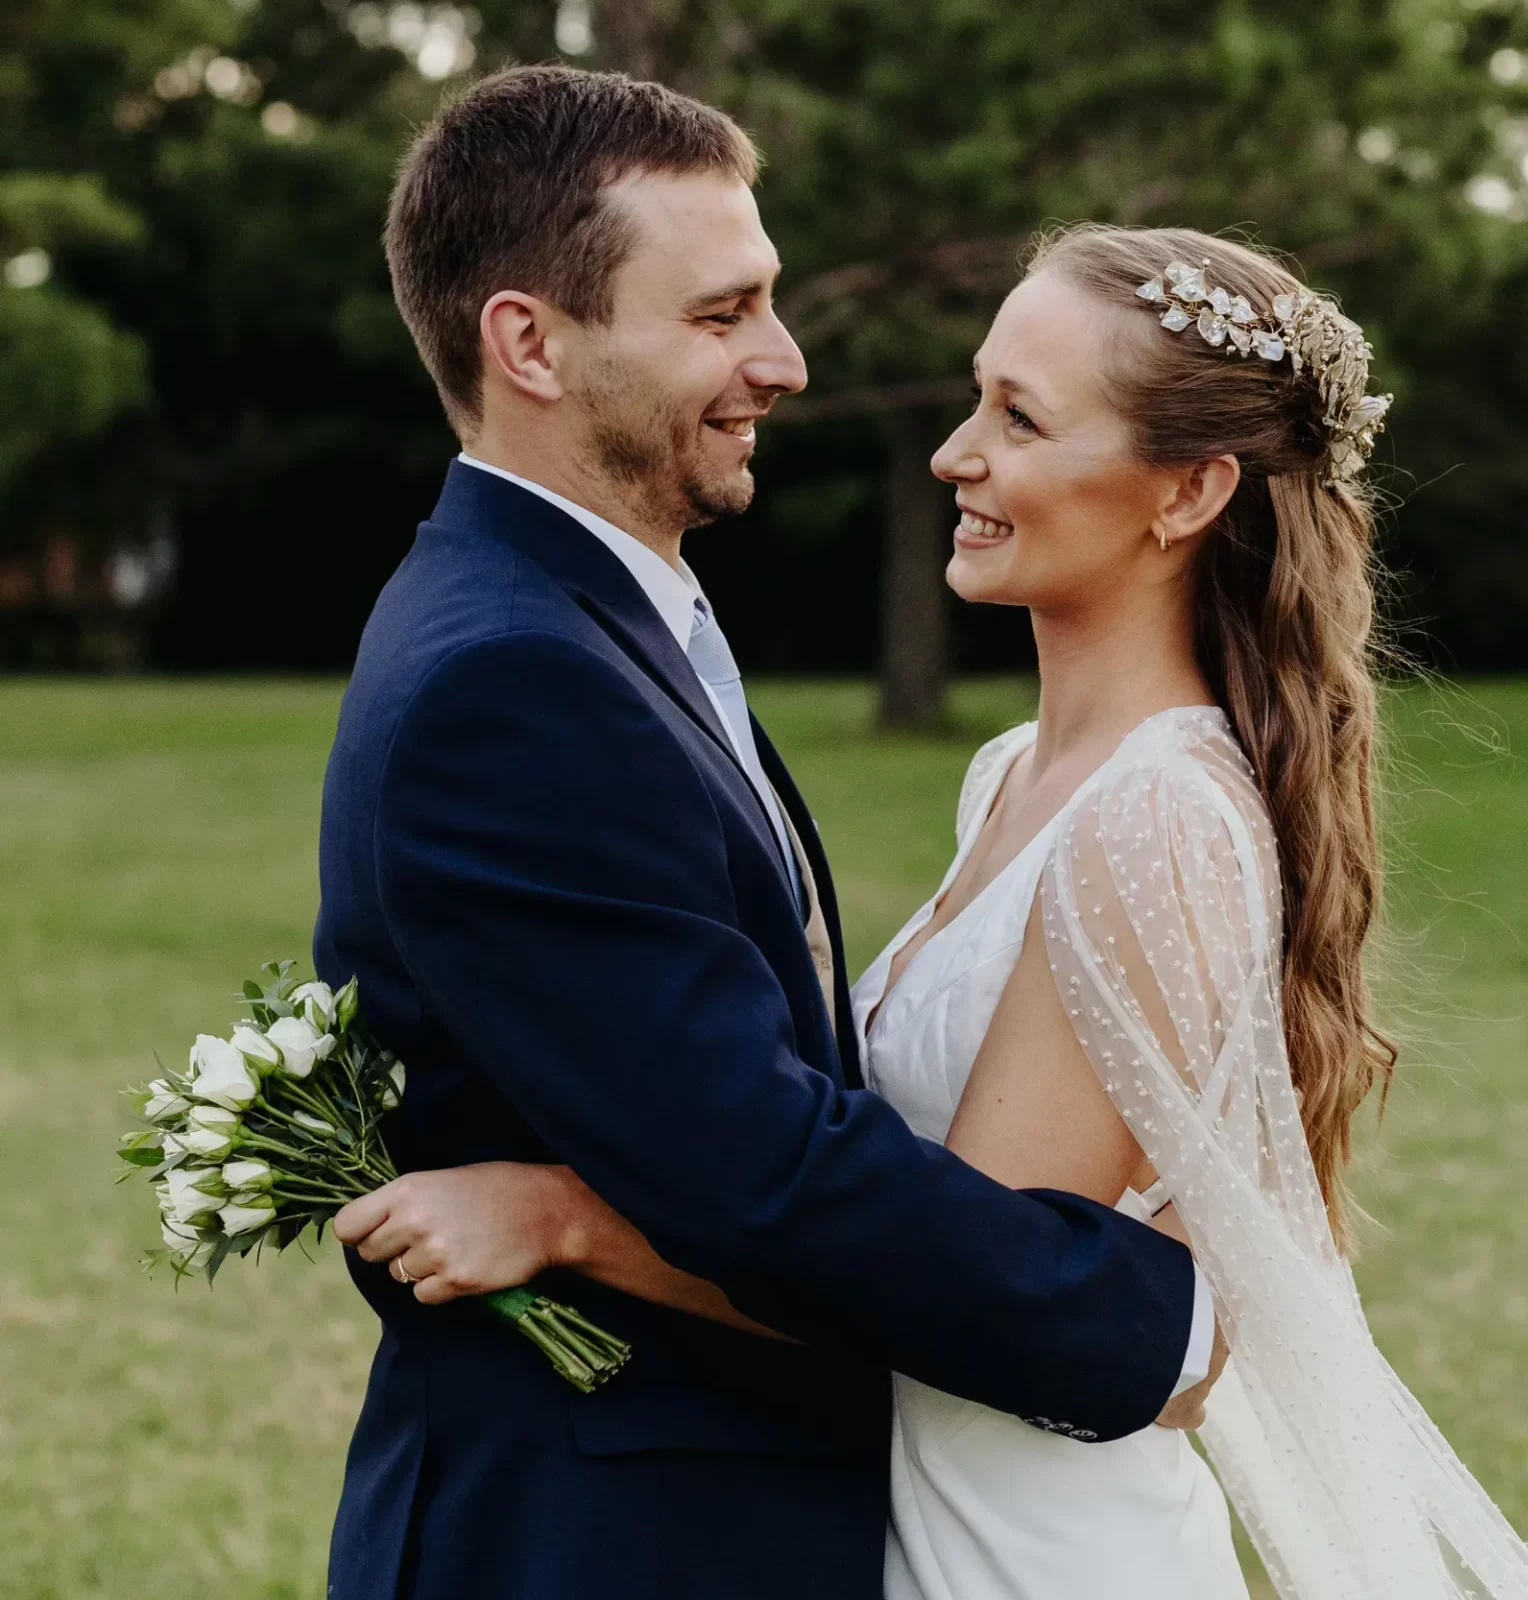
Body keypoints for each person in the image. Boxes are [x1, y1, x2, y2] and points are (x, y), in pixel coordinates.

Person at [348, 216, 1528, 1599]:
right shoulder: (1015, 777)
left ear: (1184, 495)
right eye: (976, 397)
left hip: (1023, 1545)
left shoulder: (1152, 820)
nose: (955, 454)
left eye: (1020, 418)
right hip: (914, 1505)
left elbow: (963, 1286)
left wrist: (571, 1221)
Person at [314, 66, 1220, 1600]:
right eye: (720, 314)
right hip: (604, 1543)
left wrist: (560, 1216)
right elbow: (764, 1179)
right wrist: (1148, 1318)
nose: (784, 362)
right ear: (528, 341)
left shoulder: (584, 617)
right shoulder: (513, 678)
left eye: (770, 303)